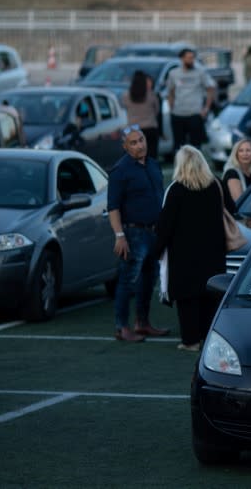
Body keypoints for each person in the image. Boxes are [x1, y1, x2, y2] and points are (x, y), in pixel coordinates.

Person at [153, 146, 229, 351]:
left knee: (187, 301)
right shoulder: (215, 186)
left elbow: (165, 225)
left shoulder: (177, 190)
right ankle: (207, 338)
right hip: (213, 252)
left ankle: (190, 341)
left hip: (184, 256)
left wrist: (156, 250)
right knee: (209, 298)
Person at [107, 125, 169, 342]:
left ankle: (142, 323)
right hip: (133, 234)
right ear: (125, 147)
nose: (139, 145)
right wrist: (119, 236)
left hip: (154, 232)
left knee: (148, 280)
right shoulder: (120, 171)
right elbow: (112, 207)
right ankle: (121, 327)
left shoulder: (153, 164)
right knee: (128, 281)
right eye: (133, 142)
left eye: (141, 140)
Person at [167, 48, 216, 155]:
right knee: (179, 147)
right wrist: (171, 108)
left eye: (193, 58)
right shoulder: (173, 73)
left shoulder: (200, 72)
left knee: (196, 147)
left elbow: (210, 89)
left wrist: (206, 108)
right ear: (182, 58)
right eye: (189, 58)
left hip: (195, 114)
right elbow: (170, 91)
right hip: (178, 114)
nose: (191, 60)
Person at [121, 70, 160, 160]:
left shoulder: (126, 96)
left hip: (133, 129)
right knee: (151, 158)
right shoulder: (151, 95)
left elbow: (123, 107)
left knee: (134, 158)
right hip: (150, 128)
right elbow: (157, 111)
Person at [222, 138, 251, 204]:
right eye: (241, 151)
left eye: (248, 150)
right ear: (236, 154)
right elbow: (239, 202)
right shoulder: (232, 173)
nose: (245, 154)